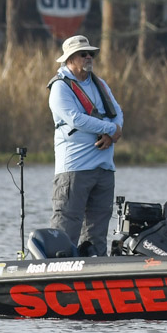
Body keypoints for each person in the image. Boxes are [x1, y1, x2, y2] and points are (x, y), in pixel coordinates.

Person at [47, 35, 124, 257]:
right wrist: (111, 129)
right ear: (70, 58)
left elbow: (117, 112)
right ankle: (56, 271)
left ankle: (94, 269)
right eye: (83, 54)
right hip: (75, 168)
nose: (89, 57)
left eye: (91, 53)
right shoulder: (60, 87)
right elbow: (75, 119)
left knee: (97, 234)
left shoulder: (101, 84)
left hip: (104, 169)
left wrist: (114, 132)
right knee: (66, 228)